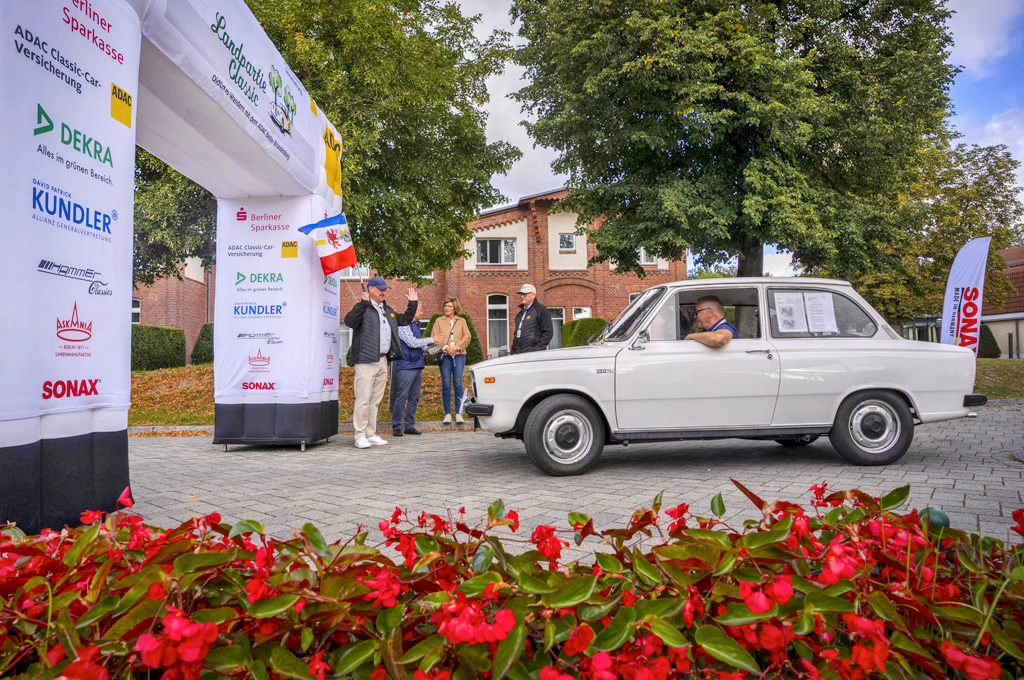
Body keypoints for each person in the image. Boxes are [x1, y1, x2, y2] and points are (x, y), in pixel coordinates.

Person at [344, 277, 418, 448]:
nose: (383, 292)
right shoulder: (363, 307)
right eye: (380, 289)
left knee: (375, 399)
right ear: (370, 289)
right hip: (365, 360)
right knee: (363, 398)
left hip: (383, 360)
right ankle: (359, 435)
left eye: (385, 289)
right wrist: (362, 304)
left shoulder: (387, 310)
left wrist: (412, 304)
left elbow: (404, 320)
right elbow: (349, 321)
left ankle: (370, 433)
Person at [392, 306, 437, 437]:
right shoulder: (403, 325)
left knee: (414, 398)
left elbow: (419, 346)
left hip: (417, 365)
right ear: (413, 312)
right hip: (406, 366)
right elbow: (412, 343)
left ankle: (409, 426)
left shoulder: (416, 325)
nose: (422, 313)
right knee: (402, 396)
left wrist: (432, 350)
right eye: (420, 310)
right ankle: (396, 426)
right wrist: (432, 339)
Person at [431, 297, 472, 424]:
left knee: (458, 384)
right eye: (445, 306)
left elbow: (467, 336)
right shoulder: (439, 320)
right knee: (446, 384)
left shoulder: (462, 321)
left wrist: (457, 347)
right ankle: (448, 413)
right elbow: (435, 337)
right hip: (445, 355)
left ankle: (459, 413)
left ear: (455, 308)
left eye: (449, 306)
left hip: (459, 355)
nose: (446, 308)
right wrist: (446, 347)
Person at [510, 284, 553, 355]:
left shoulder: (541, 310)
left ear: (533, 295)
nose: (522, 296)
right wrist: (513, 351)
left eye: (525, 294)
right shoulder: (519, 314)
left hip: (534, 356)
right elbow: (516, 334)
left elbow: (548, 333)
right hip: (519, 355)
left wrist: (537, 350)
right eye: (521, 294)